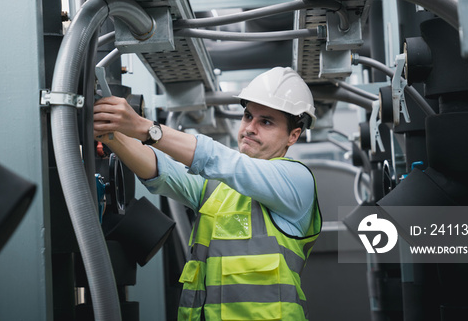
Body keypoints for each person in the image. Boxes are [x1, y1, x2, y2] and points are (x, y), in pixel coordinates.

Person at [93, 67, 322, 321]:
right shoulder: (217, 187)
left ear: (293, 135)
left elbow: (223, 161)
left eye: (266, 121)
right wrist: (112, 135)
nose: (250, 128)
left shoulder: (296, 182)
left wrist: (144, 127)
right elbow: (163, 171)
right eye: (248, 117)